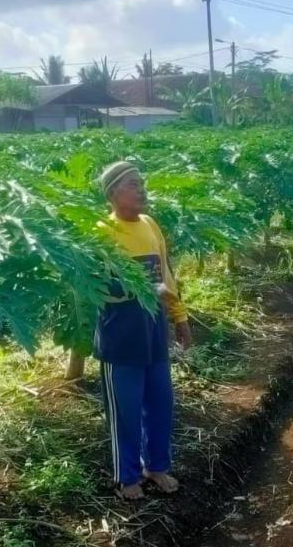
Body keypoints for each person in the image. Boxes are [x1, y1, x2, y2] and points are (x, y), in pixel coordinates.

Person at [96, 160, 193, 500]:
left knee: (160, 401)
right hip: (120, 334)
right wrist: (149, 291)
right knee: (126, 407)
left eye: (141, 183)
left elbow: (165, 274)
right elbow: (102, 287)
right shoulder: (102, 233)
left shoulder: (150, 224)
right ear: (113, 194)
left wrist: (179, 316)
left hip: (153, 330)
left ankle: (158, 466)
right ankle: (127, 476)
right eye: (133, 185)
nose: (142, 189)